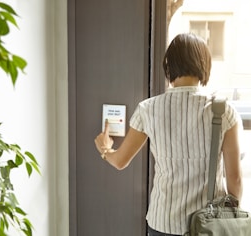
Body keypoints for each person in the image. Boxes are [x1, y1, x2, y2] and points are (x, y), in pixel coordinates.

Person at [94, 33, 243, 236]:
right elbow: (234, 179)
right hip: (210, 225)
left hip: (163, 222)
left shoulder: (148, 109)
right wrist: (231, 219)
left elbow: (120, 161)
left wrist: (105, 148)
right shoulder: (223, 111)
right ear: (204, 65)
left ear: (169, 66)